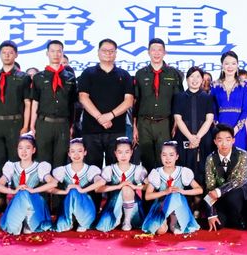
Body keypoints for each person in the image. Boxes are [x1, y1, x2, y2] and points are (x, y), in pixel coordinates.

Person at [0, 41, 32, 214]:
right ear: (0, 54)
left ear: (16, 55)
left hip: (16, 124)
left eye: (10, 52)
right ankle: (0, 199)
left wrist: (25, 126)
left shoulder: (23, 77)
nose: (7, 55)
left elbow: (28, 103)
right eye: (4, 52)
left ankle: (19, 199)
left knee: (17, 163)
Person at [77, 39, 134, 170]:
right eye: (104, 50)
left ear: (116, 53)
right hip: (91, 129)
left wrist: (110, 116)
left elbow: (129, 100)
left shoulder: (124, 75)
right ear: (98, 52)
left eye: (111, 51)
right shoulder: (88, 73)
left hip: (116, 129)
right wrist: (99, 117)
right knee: (91, 170)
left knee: (115, 169)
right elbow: (83, 97)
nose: (108, 53)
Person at [133, 38, 184, 171]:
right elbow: (136, 102)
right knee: (146, 160)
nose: (156, 53)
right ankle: (148, 185)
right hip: (144, 123)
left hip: (165, 123)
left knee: (165, 160)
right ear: (148, 52)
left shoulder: (173, 73)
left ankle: (164, 184)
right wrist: (134, 126)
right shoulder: (140, 74)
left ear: (164, 52)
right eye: (153, 50)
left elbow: (179, 101)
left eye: (160, 50)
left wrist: (176, 123)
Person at [30, 40, 78, 173]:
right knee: (43, 161)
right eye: (52, 51)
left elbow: (73, 104)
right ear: (47, 53)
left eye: (59, 51)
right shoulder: (39, 77)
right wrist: (32, 125)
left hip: (63, 124)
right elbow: (35, 102)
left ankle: (58, 187)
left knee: (60, 161)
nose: (56, 54)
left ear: (62, 53)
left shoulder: (70, 77)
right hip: (43, 123)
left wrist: (71, 125)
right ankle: (44, 187)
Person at [0, 134, 57, 235]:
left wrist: (33, 190)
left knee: (24, 193)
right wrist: (13, 191)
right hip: (18, 201)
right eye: (21, 148)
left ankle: (30, 223)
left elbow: (53, 183)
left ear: (33, 150)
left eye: (27, 148)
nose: (23, 151)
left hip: (34, 201)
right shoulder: (12, 166)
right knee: (13, 228)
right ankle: (20, 222)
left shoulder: (39, 167)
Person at [142, 141, 203, 235]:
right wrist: (165, 192)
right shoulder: (156, 173)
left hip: (178, 206)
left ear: (177, 156)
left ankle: (174, 221)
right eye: (164, 155)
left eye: (171, 155)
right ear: (160, 156)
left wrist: (182, 191)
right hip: (161, 205)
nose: (168, 158)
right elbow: (147, 196)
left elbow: (199, 190)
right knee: (160, 231)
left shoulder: (183, 171)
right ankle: (164, 220)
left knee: (175, 194)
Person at [95, 137, 148, 232]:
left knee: (126, 188)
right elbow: (98, 189)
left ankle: (127, 221)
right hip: (114, 205)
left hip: (133, 206)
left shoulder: (138, 170)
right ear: (115, 153)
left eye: (127, 152)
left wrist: (135, 187)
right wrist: (118, 186)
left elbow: (150, 187)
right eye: (120, 152)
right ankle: (117, 219)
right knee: (103, 226)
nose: (123, 156)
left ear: (131, 152)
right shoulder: (109, 169)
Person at [173, 66, 215, 181]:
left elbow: (209, 119)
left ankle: (202, 191)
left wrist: (197, 137)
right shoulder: (179, 97)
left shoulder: (208, 97)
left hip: (203, 137)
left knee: (203, 168)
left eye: (198, 77)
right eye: (192, 76)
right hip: (184, 136)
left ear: (202, 80)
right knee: (184, 166)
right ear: (187, 79)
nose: (195, 80)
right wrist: (190, 137)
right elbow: (178, 119)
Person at [52, 138, 103, 232]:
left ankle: (83, 222)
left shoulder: (90, 170)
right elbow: (50, 187)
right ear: (69, 154)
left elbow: (101, 182)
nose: (76, 155)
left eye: (79, 151)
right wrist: (64, 192)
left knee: (74, 191)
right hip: (67, 208)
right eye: (73, 151)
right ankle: (70, 220)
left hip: (86, 208)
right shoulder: (63, 170)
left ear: (85, 152)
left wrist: (82, 190)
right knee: (60, 226)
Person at [204, 124, 247, 231]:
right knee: (217, 225)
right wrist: (211, 214)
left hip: (237, 192)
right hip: (219, 198)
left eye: (228, 140)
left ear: (233, 140)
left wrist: (219, 191)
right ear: (215, 141)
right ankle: (227, 216)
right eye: (220, 140)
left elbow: (240, 179)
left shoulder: (242, 154)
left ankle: (239, 219)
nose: (224, 144)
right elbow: (210, 187)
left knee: (232, 198)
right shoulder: (210, 158)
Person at [211, 51, 247, 151]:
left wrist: (235, 129)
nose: (230, 66)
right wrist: (220, 129)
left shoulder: (244, 85)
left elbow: (245, 110)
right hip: (221, 128)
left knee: (239, 157)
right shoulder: (214, 85)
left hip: (239, 130)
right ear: (222, 65)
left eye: (233, 63)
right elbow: (213, 110)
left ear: (237, 65)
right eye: (227, 63)